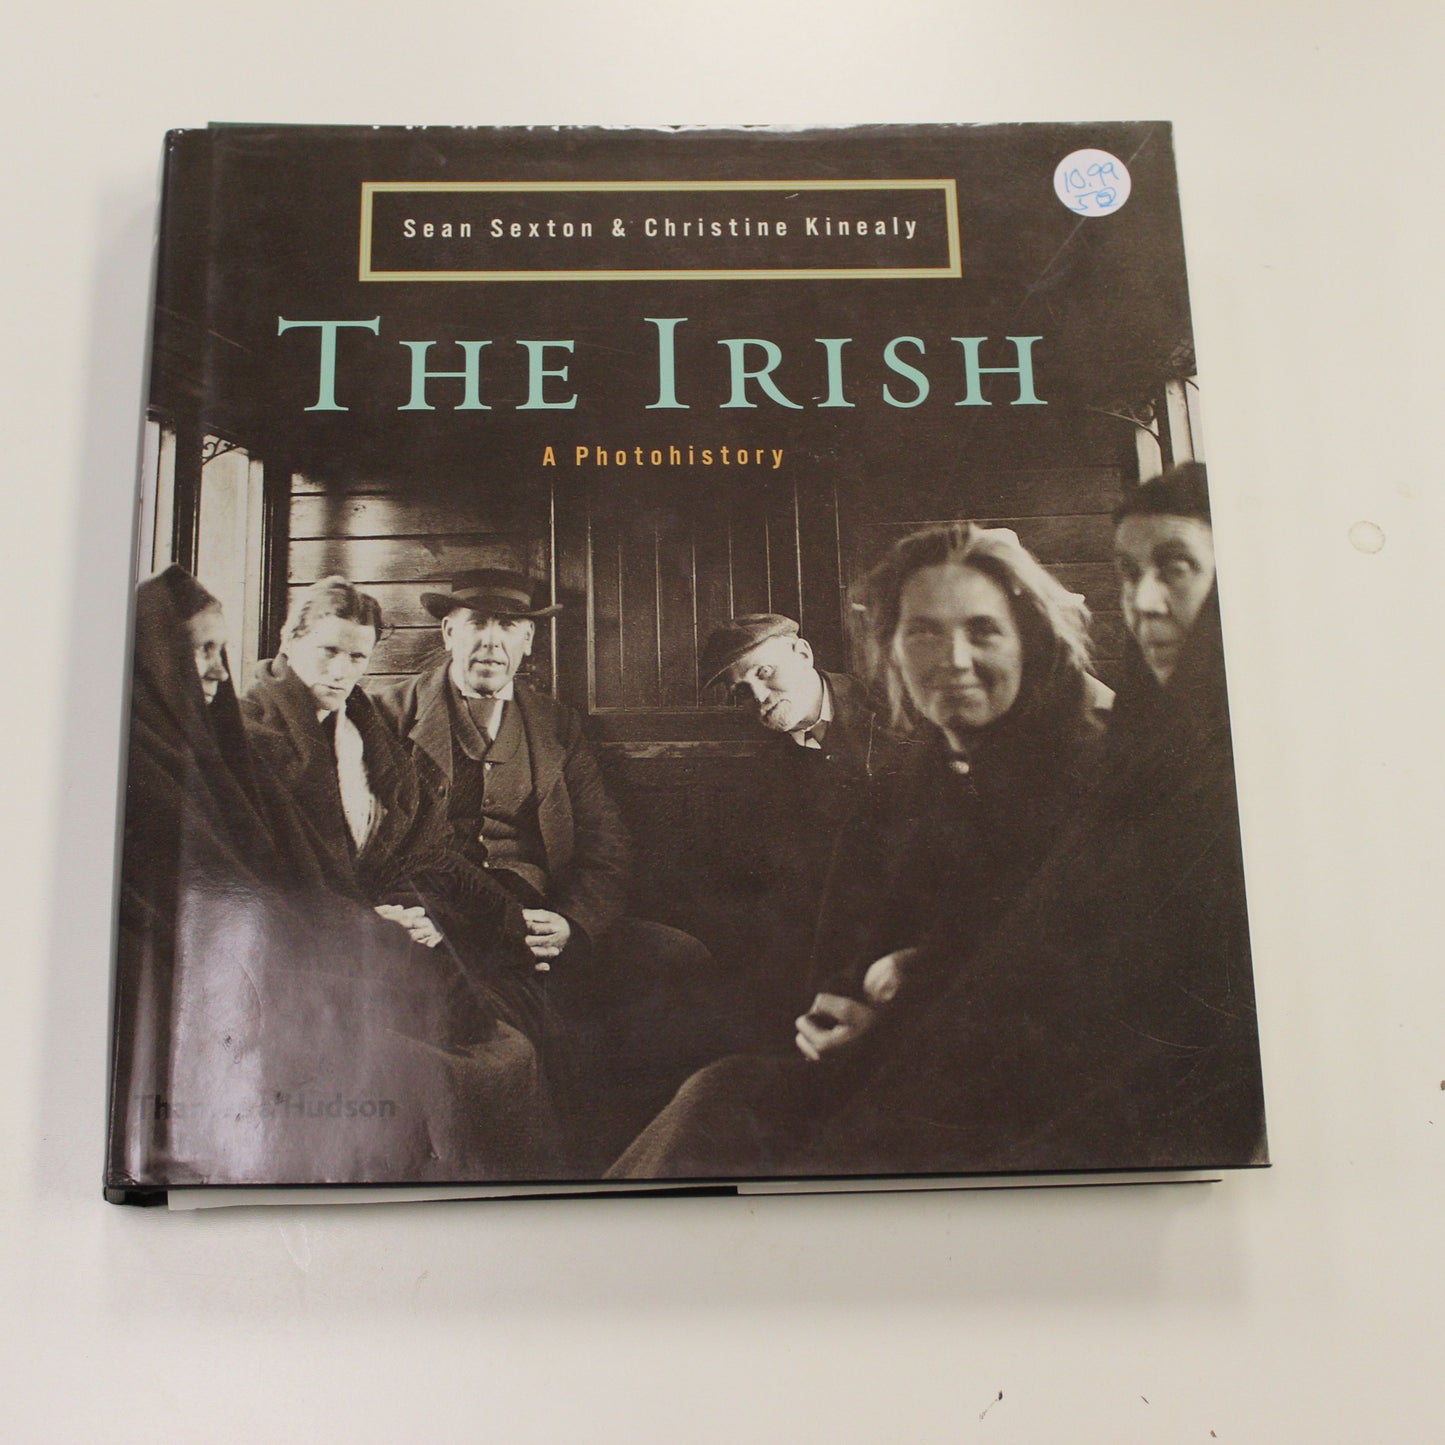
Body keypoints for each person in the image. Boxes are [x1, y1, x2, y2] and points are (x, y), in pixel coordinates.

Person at [609, 522, 1110, 1178]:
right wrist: (850, 993)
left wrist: (907, 987)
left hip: (1024, 1085)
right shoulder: (929, 763)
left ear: (1029, 637)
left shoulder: (1084, 758)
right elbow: (872, 898)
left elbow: (1062, 963)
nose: (953, 660)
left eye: (983, 630)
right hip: (887, 1025)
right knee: (713, 1087)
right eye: (922, 633)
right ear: (894, 648)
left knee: (726, 1103)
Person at [109, 568, 558, 1196]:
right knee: (470, 1045)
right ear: (289, 640)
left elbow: (420, 844)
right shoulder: (248, 735)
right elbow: (268, 880)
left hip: (363, 919)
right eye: (328, 651)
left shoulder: (362, 726)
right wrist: (377, 923)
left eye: (357, 658)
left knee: (505, 1009)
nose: (342, 670)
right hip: (285, 957)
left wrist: (507, 921)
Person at [368, 569, 727, 1163]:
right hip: (442, 915)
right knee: (508, 1016)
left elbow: (607, 845)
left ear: (529, 641)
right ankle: (550, 1165)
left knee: (680, 958)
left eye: (509, 626)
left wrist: (572, 924)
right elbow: (375, 841)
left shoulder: (557, 724)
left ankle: (653, 1156)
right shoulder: (387, 714)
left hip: (543, 913)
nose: (492, 641)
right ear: (449, 632)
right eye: (477, 624)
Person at [696, 612, 914, 1024]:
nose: (759, 695)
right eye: (742, 690)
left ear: (802, 653)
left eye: (765, 672)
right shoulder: (763, 765)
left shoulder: (895, 709)